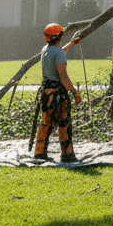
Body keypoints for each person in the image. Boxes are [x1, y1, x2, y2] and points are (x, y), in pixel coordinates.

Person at [34, 23, 82, 163]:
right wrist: (74, 92)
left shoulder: (45, 49)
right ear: (59, 36)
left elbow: (59, 51)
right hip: (58, 93)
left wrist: (72, 43)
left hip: (46, 91)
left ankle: (39, 153)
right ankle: (67, 154)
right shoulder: (58, 53)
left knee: (45, 124)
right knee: (64, 123)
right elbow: (63, 75)